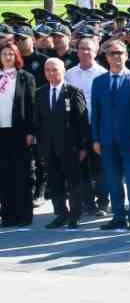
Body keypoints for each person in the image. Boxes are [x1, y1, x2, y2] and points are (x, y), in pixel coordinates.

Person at [91, 40, 130, 230]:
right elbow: (96, 112)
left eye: (119, 53)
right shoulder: (99, 81)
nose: (116, 56)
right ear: (106, 57)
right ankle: (118, 216)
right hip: (107, 139)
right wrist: (96, 139)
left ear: (126, 55)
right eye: (112, 53)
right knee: (113, 179)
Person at [34, 58, 91, 229]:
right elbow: (38, 121)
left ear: (63, 71)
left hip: (70, 147)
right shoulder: (40, 93)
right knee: (54, 181)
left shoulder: (73, 92)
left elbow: (82, 121)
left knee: (73, 181)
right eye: (48, 70)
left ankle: (75, 214)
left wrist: (83, 146)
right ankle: (60, 213)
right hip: (48, 146)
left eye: (55, 70)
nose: (51, 73)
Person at [0, 45, 37, 227]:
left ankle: (23, 214)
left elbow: (31, 105)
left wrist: (31, 131)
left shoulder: (25, 77)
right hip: (1, 131)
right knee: (4, 174)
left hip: (19, 132)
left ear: (17, 56)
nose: (7, 57)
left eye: (11, 54)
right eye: (4, 54)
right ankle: (8, 215)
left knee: (21, 173)